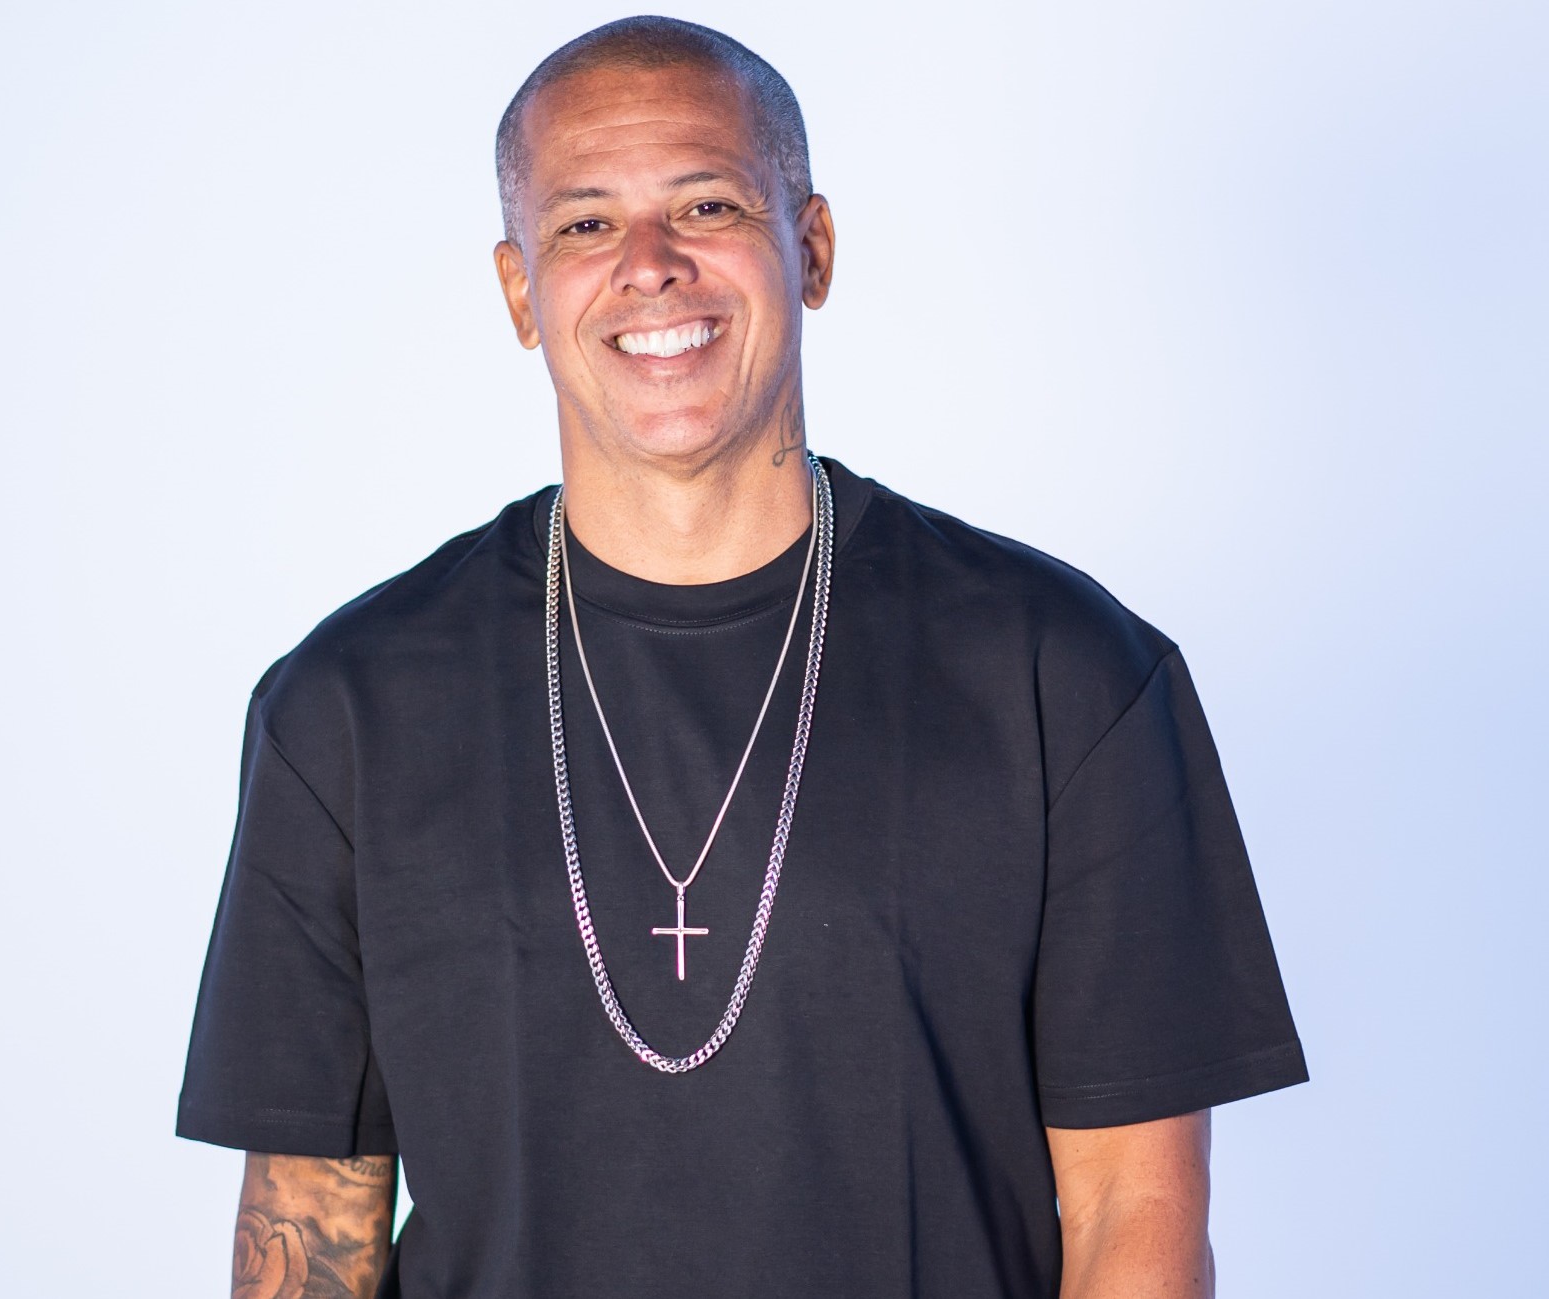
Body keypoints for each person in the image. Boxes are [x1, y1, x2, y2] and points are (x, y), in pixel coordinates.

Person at [177, 16, 1308, 1299]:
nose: (650, 268)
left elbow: (1132, 1216)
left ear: (810, 248)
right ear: (520, 292)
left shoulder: (1066, 674)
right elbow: (307, 1227)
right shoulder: (350, 708)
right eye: (586, 223)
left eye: (706, 205)